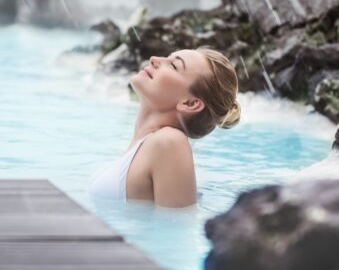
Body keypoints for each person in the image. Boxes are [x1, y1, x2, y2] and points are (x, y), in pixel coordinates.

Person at [88, 46, 241, 208]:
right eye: (167, 57)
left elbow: (175, 228)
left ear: (190, 103)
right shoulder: (147, 146)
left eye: (174, 66)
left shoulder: (169, 142)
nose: (154, 58)